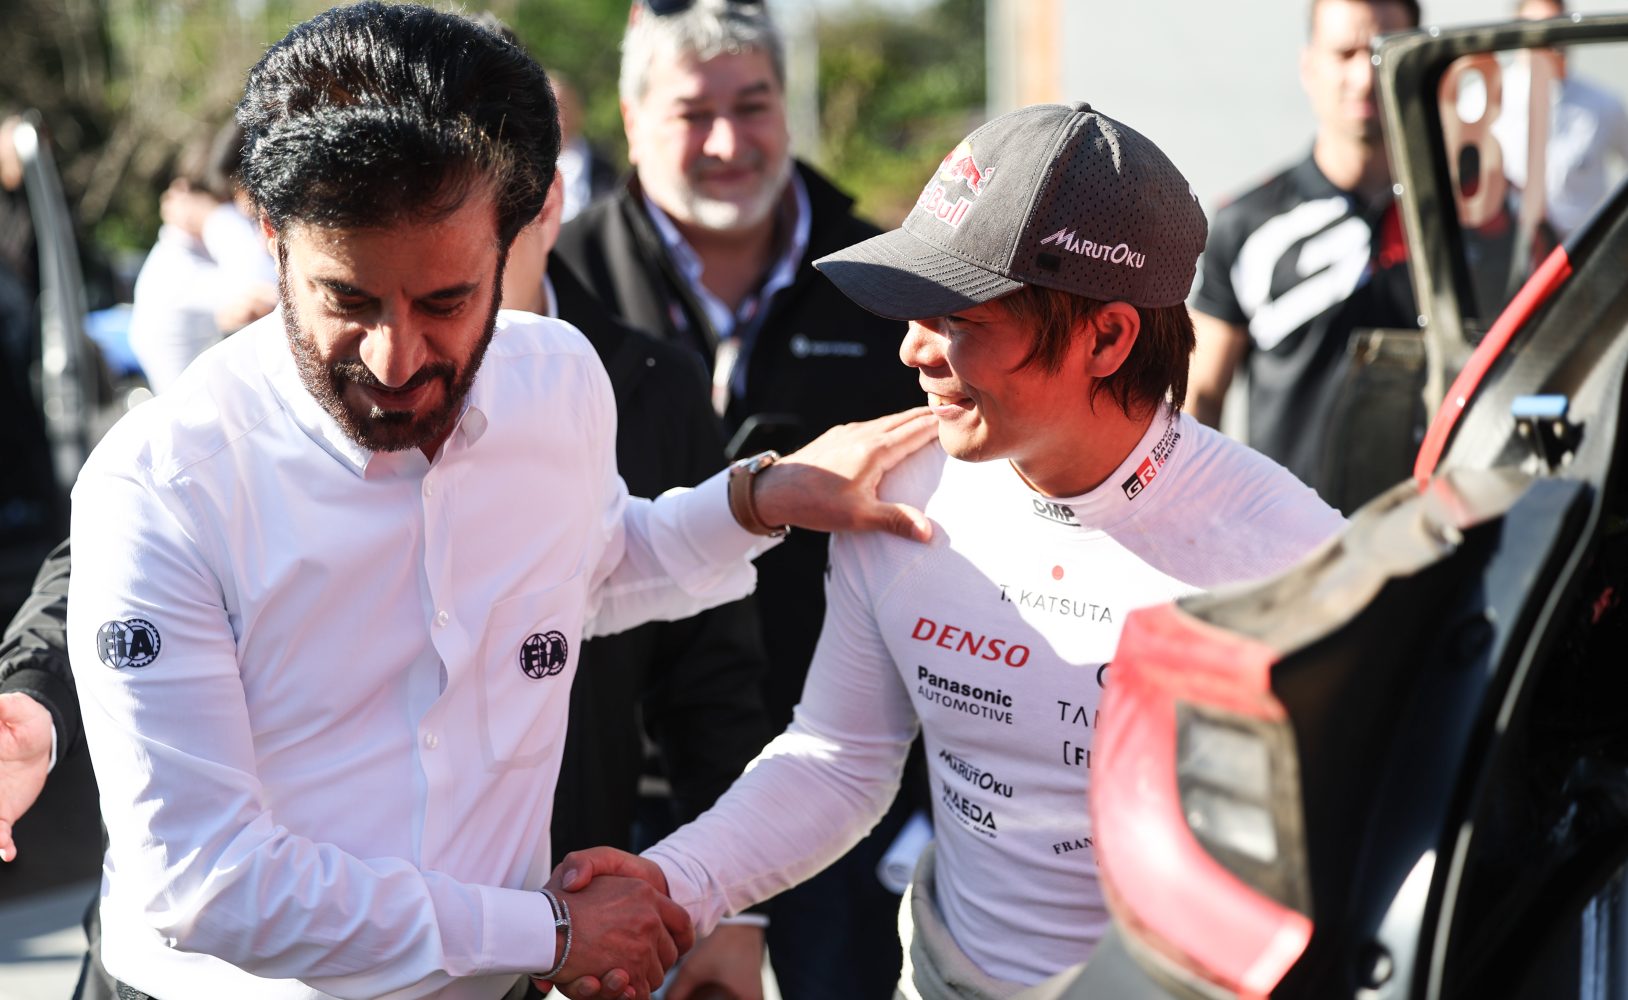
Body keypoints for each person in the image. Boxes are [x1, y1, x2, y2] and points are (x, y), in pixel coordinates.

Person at [64, 5, 935, 998]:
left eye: (445, 301)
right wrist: (545, 931)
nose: (395, 358)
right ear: (270, 236)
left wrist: (756, 500)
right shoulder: (161, 488)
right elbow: (205, 879)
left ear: (520, 235)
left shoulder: (558, 379)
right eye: (347, 299)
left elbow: (588, 565)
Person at [549, 102, 1348, 1000]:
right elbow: (843, 759)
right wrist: (674, 883)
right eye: (911, 307)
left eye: (958, 318)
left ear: (1108, 337)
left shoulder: (1295, 557)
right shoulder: (894, 493)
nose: (912, 349)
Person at [554, 3, 926, 995]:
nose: (727, 142)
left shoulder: (884, 284)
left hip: (840, 785)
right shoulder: (554, 287)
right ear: (633, 121)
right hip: (607, 797)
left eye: (752, 105)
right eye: (693, 113)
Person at [1185, 0, 1420, 499]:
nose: (1364, 75)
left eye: (1383, 51)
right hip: (1285, 532)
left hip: (1431, 533)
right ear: (1309, 66)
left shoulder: (1464, 221)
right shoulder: (1246, 224)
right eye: (1345, 53)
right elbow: (1198, 398)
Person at [1492, 0, 1628, 240]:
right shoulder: (1479, 105)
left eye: (1559, 28)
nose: (1552, 42)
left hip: (1582, 254)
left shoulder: (1603, 104)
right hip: (1505, 254)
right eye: (1539, 31)